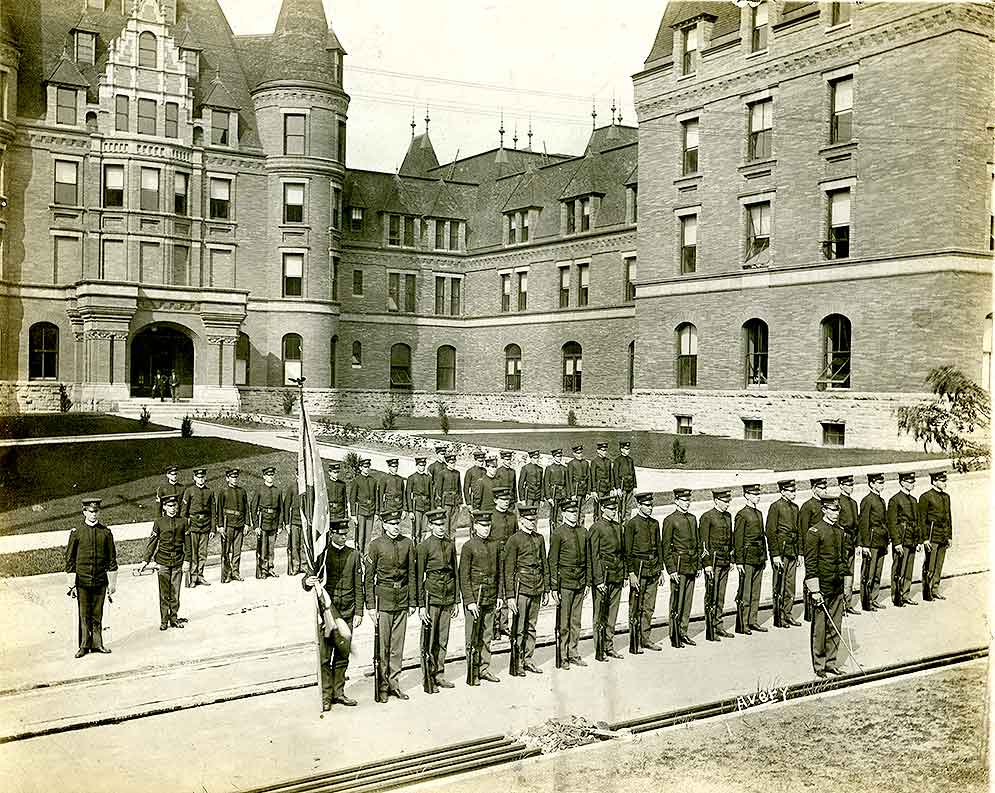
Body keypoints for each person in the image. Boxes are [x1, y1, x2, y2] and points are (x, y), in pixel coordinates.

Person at [304, 519, 363, 710]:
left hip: (347, 612)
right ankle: (326, 695)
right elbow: (307, 578)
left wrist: (359, 612)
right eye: (339, 534)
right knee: (324, 657)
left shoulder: (353, 555)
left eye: (345, 534)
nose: (343, 537)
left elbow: (358, 585)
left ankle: (339, 692)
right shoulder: (322, 555)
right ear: (332, 535)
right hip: (327, 614)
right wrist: (308, 581)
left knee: (342, 655)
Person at [365, 511, 416, 701]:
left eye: (398, 524)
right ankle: (383, 686)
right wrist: (370, 606)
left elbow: (412, 574)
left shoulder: (407, 543)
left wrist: (412, 602)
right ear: (384, 525)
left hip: (401, 599)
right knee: (383, 647)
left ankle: (394, 684)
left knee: (397, 646)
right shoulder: (376, 545)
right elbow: (368, 578)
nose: (396, 527)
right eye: (392, 524)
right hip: (383, 601)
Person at [804, 488, 849, 678]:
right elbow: (811, 564)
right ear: (824, 510)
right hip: (821, 588)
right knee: (820, 629)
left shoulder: (840, 531)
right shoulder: (814, 532)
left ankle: (831, 663)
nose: (836, 513)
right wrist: (814, 591)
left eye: (838, 510)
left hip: (837, 586)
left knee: (835, 627)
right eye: (832, 510)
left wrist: (847, 586)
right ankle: (820, 666)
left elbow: (845, 561)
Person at [65, 498, 118, 657]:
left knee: (97, 613)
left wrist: (112, 582)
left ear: (99, 512)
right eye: (90, 511)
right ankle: (83, 646)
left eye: (96, 511)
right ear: (84, 512)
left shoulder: (106, 532)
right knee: (84, 614)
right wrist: (71, 583)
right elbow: (70, 559)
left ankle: (98, 643)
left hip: (100, 580)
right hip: (82, 581)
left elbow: (112, 559)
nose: (93, 514)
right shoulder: (77, 533)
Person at [416, 510, 459, 689]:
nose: (441, 528)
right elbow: (418, 577)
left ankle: (439, 674)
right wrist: (420, 606)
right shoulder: (424, 546)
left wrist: (456, 600)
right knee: (428, 640)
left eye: (443, 525)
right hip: (431, 597)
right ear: (431, 526)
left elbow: (455, 573)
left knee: (442, 639)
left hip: (447, 596)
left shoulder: (450, 544)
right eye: (438, 525)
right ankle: (428, 675)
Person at [503, 503, 548, 674]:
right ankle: (518, 661)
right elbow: (508, 570)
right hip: (521, 588)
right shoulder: (514, 540)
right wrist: (510, 596)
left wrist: (545, 589)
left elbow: (544, 564)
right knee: (519, 628)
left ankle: (528, 659)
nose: (532, 523)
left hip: (536, 586)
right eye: (529, 520)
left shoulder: (539, 538)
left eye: (534, 519)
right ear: (521, 521)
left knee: (531, 626)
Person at [459, 510, 503, 683]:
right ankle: (473, 670)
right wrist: (469, 601)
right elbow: (464, 576)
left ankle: (484, 668)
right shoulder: (468, 546)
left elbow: (499, 572)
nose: (486, 529)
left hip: (490, 596)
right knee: (472, 637)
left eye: (488, 525)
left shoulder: (495, 545)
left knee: (486, 636)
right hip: (475, 598)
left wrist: (499, 595)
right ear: (475, 526)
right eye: (482, 526)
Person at [549, 498, 589, 668]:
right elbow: (553, 561)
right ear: (563, 513)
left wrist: (587, 582)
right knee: (563, 622)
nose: (574, 515)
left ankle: (573, 652)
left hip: (580, 581)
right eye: (570, 512)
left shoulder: (583, 531)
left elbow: (587, 559)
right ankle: (563, 655)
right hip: (565, 582)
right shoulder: (558, 533)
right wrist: (553, 586)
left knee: (576, 621)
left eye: (576, 512)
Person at [141, 494, 188, 630]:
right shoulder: (159, 522)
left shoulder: (183, 521)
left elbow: (188, 544)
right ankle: (163, 620)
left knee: (175, 592)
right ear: (164, 507)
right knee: (164, 593)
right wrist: (145, 560)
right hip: (163, 561)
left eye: (175, 506)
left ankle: (174, 618)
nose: (172, 509)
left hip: (178, 561)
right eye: (169, 506)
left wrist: (187, 560)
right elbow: (153, 542)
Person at [662, 488, 701, 647]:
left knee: (687, 601)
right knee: (676, 602)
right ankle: (674, 633)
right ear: (676, 501)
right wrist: (671, 570)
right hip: (679, 565)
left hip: (691, 563)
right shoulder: (670, 520)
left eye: (688, 500)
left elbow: (697, 544)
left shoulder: (692, 518)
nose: (687, 503)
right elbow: (666, 547)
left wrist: (698, 564)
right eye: (684, 500)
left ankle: (683, 631)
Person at [623, 492, 662, 651]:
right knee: (636, 607)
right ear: (639, 505)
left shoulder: (654, 523)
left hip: (652, 568)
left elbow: (658, 547)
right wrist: (631, 573)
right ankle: (635, 640)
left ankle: (645, 638)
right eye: (647, 505)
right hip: (638, 569)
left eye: (651, 505)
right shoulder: (632, 524)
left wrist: (660, 569)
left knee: (649, 607)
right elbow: (627, 551)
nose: (650, 507)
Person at [588, 496, 625, 659]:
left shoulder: (618, 527)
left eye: (614, 509)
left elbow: (622, 553)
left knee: (612, 614)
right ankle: (599, 648)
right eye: (610, 509)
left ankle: (609, 646)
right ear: (603, 509)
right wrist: (598, 580)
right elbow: (593, 556)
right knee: (600, 615)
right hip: (603, 575)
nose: (613, 512)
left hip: (616, 574)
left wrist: (623, 574)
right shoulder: (596, 528)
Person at [765, 479, 801, 627]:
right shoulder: (776, 507)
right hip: (781, 551)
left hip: (792, 550)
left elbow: (797, 531)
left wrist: (798, 553)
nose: (793, 493)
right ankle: (778, 616)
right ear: (782, 491)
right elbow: (771, 531)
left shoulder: (795, 507)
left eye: (794, 490)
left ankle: (788, 613)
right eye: (790, 491)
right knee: (779, 585)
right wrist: (775, 554)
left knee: (790, 585)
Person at [700, 489, 735, 640]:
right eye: (725, 501)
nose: (727, 504)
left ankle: (718, 624)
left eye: (728, 501)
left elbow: (731, 539)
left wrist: (732, 559)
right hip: (713, 562)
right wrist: (706, 564)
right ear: (716, 501)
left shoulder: (728, 516)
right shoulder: (707, 517)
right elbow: (703, 543)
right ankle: (710, 627)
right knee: (711, 596)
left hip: (725, 560)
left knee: (720, 595)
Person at [733, 484, 767, 634]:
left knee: (756, 592)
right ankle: (743, 623)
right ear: (746, 495)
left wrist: (764, 556)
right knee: (745, 593)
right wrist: (739, 561)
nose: (757, 496)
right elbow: (738, 539)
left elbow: (762, 537)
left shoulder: (759, 513)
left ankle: (753, 620)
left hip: (758, 556)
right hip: (747, 558)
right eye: (754, 494)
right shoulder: (742, 515)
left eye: (758, 494)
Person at [856, 472, 889, 610]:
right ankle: (866, 601)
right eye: (879, 483)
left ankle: (874, 598)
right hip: (871, 540)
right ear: (871, 484)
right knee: (868, 573)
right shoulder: (867, 500)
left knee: (877, 572)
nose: (882, 485)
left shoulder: (881, 500)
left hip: (881, 540)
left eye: (882, 482)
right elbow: (863, 524)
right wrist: (864, 545)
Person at [888, 471, 921, 607]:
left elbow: (917, 522)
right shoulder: (895, 500)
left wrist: (918, 541)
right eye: (908, 481)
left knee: (909, 569)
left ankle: (905, 594)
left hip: (912, 539)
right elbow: (892, 523)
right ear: (902, 482)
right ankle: (897, 597)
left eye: (913, 482)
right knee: (898, 569)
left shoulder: (913, 500)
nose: (911, 484)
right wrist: (896, 542)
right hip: (902, 540)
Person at [798, 478, 829, 622]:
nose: (825, 490)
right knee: (810, 579)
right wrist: (802, 552)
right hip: (811, 549)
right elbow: (803, 530)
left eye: (825, 488)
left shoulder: (825, 504)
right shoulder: (807, 506)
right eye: (821, 488)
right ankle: (809, 611)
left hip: (823, 547)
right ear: (814, 488)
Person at [919, 471, 952, 601]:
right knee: (930, 565)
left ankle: (935, 589)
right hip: (932, 536)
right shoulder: (926, 497)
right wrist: (925, 538)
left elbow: (949, 517)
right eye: (942, 481)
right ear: (934, 481)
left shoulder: (946, 497)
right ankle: (927, 593)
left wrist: (949, 536)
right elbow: (922, 519)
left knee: (939, 565)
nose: (945, 483)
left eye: (945, 481)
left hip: (943, 535)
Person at [490, 488, 517, 636]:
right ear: (495, 500)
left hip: (509, 557)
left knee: (508, 589)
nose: (505, 502)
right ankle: (494, 625)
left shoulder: (512, 517)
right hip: (494, 557)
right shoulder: (491, 516)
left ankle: (504, 624)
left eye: (507, 500)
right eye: (502, 500)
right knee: (496, 591)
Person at [156, 465, 189, 586]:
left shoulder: (182, 488)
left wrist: (184, 519)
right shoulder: (163, 488)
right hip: (166, 521)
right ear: (168, 475)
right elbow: (158, 508)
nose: (174, 476)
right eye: (172, 474)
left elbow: (184, 505)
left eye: (176, 474)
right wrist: (159, 522)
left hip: (180, 521)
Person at [181, 467, 215, 586]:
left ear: (205, 478)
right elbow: (184, 512)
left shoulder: (209, 492)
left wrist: (213, 528)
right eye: (198, 477)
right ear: (194, 478)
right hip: (193, 526)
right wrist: (185, 527)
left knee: (202, 553)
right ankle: (193, 577)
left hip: (205, 525)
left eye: (202, 477)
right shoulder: (189, 491)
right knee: (193, 553)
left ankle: (200, 575)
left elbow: (213, 512)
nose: (201, 479)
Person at [216, 468, 248, 582]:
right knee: (226, 551)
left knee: (237, 550)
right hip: (227, 524)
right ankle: (227, 574)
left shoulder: (242, 491)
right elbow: (219, 509)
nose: (234, 479)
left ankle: (235, 572)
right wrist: (219, 525)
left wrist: (247, 524)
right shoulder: (223, 491)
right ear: (227, 478)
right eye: (232, 477)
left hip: (239, 524)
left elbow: (246, 508)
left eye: (235, 477)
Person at [251, 466, 283, 579]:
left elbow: (281, 509)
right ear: (264, 476)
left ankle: (270, 568)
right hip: (263, 523)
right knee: (263, 548)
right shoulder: (259, 489)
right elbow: (253, 507)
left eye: (272, 475)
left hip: (273, 523)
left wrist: (280, 525)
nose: (270, 477)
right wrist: (255, 526)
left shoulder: (277, 490)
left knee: (271, 548)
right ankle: (263, 570)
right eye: (268, 475)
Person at [836, 475, 860, 615]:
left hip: (851, 542)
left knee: (850, 574)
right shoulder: (838, 502)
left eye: (852, 485)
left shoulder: (853, 503)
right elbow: (838, 524)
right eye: (847, 485)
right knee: (842, 574)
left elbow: (856, 524)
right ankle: (841, 605)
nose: (850, 487)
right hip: (843, 543)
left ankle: (848, 603)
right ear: (841, 486)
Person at [349, 458, 377, 554]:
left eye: (368, 467)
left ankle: (366, 555)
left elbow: (376, 497)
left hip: (371, 511)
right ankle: (359, 555)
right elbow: (352, 499)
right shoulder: (356, 481)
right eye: (365, 467)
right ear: (361, 468)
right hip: (361, 511)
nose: (367, 469)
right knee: (360, 536)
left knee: (368, 536)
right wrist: (353, 515)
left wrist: (376, 512)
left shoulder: (373, 480)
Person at [434, 453, 463, 535]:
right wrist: (438, 505)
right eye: (451, 462)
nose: (453, 464)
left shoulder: (457, 473)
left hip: (455, 502)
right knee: (446, 525)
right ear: (447, 462)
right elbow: (438, 490)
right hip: (446, 502)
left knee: (454, 526)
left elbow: (459, 488)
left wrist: (460, 502)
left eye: (454, 462)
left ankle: (453, 546)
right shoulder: (442, 473)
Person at [406, 457, 433, 545]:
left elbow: (431, 495)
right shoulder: (412, 478)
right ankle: (416, 548)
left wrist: (432, 510)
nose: (422, 467)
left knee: (424, 529)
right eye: (420, 465)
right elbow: (408, 495)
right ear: (417, 466)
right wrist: (410, 510)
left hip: (426, 506)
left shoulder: (428, 478)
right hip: (416, 506)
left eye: (423, 465)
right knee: (416, 530)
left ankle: (422, 547)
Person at [611, 441, 637, 522]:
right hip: (622, 487)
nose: (628, 450)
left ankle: (627, 524)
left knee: (629, 507)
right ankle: (621, 525)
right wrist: (617, 488)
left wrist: (635, 486)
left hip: (630, 486)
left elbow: (633, 473)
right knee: (622, 507)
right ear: (621, 449)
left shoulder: (630, 460)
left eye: (628, 449)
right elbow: (615, 475)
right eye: (626, 449)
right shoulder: (617, 461)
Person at [566, 445, 591, 527]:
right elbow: (569, 480)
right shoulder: (571, 464)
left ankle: (582, 528)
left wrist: (588, 492)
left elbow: (588, 478)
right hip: (575, 492)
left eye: (581, 453)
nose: (579, 455)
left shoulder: (586, 463)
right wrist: (572, 494)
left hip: (583, 491)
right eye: (577, 453)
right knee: (575, 512)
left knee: (583, 513)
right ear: (574, 454)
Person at [543, 449, 568, 528]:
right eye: (557, 456)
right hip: (553, 494)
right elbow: (546, 483)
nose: (559, 458)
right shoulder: (549, 468)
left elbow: (567, 483)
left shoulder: (564, 468)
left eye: (560, 456)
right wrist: (548, 497)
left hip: (562, 494)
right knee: (553, 517)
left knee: (560, 516)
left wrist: (567, 496)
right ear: (553, 457)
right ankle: (552, 535)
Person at [590, 442, 615, 520]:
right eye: (602, 450)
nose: (604, 452)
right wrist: (593, 490)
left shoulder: (608, 461)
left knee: (607, 507)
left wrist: (612, 489)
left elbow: (611, 476)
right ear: (598, 451)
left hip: (607, 488)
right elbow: (592, 477)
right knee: (598, 509)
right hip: (599, 489)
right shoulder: (594, 462)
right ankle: (596, 524)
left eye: (605, 450)